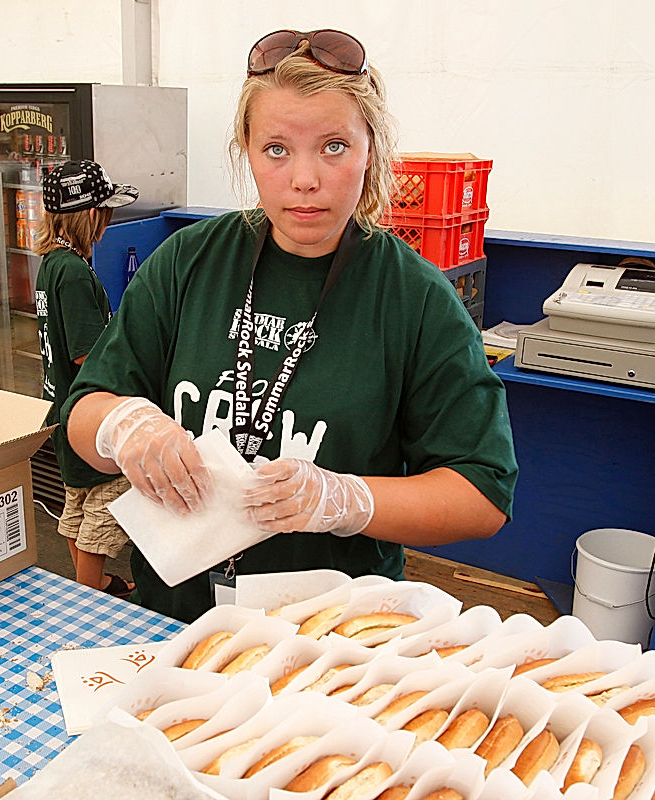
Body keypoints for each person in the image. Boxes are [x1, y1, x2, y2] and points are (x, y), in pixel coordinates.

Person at [63, 28, 517, 622]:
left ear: (371, 151)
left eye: (333, 146)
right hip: (174, 615)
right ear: (246, 150)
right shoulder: (187, 262)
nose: (305, 179)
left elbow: (482, 496)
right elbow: (79, 418)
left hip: (333, 632)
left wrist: (343, 498)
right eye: (277, 149)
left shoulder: (415, 298)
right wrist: (126, 427)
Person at [34, 159, 139, 598]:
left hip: (58, 407)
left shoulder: (51, 264)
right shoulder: (75, 273)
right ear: (92, 214)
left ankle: (98, 585)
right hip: (84, 410)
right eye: (106, 211)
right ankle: (88, 599)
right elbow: (86, 354)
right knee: (103, 507)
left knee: (75, 507)